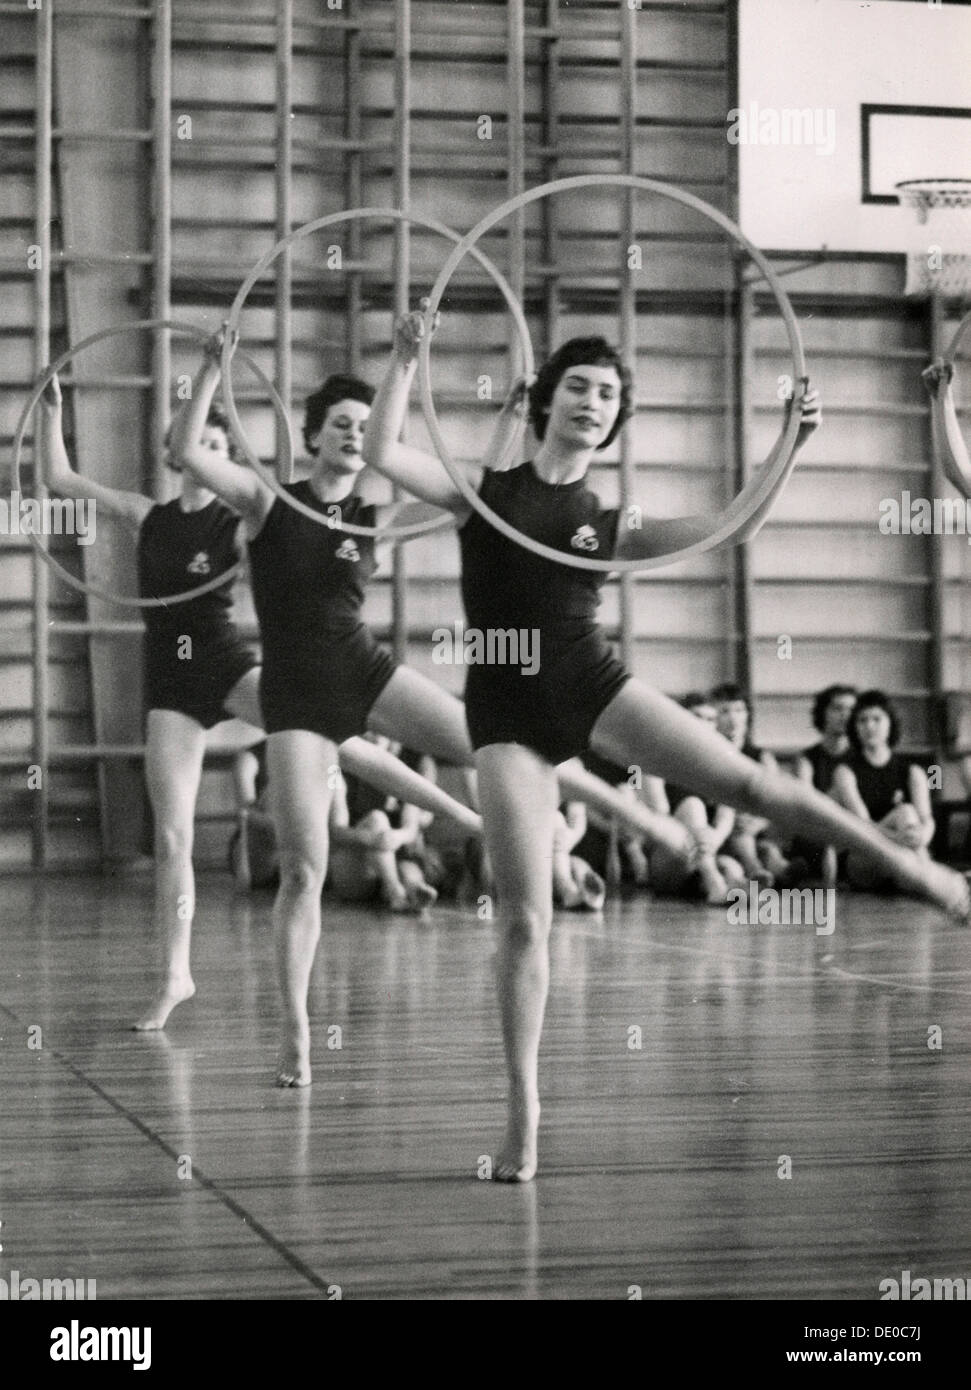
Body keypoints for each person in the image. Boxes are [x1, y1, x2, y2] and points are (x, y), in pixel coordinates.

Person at [363, 314, 969, 1181]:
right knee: (525, 919)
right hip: (502, 715)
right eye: (578, 385)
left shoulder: (604, 521)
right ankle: (523, 1115)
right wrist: (406, 356)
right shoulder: (482, 490)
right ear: (545, 398)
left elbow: (731, 528)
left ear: (616, 421)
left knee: (754, 787)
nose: (591, 402)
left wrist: (788, 447)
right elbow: (386, 447)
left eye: (608, 395)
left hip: (588, 686)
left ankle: (920, 873)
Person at [172, 331, 695, 1086]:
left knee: (497, 736)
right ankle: (294, 1028)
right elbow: (184, 450)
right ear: (312, 434)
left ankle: (640, 818)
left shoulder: (376, 511)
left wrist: (514, 413)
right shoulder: (264, 499)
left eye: (364, 424)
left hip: (362, 664)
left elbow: (492, 506)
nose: (355, 435)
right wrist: (210, 370)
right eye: (340, 425)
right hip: (293, 691)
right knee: (300, 870)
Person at [38, 374, 263, 1031]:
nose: (205, 454)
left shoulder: (242, 522)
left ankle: (460, 807)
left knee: (334, 738)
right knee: (171, 836)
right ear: (176, 452)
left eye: (218, 445)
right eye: (196, 442)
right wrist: (53, 411)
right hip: (169, 680)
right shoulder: (147, 514)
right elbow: (60, 479)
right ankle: (174, 976)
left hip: (226, 662)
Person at [831, 689, 936, 890]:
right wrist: (901, 839)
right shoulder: (845, 771)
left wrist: (923, 837)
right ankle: (933, 881)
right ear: (855, 728)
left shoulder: (914, 772)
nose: (869, 726)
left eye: (876, 719)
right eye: (862, 720)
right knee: (905, 812)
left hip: (904, 856)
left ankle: (925, 881)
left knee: (909, 816)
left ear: (890, 725)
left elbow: (927, 820)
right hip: (864, 858)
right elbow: (863, 826)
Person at [649, 693, 745, 903]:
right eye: (697, 717)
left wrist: (710, 842)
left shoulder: (722, 765)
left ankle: (725, 884)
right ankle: (715, 884)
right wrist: (698, 836)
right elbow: (659, 817)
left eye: (710, 719)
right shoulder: (655, 762)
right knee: (693, 806)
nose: (704, 724)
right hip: (669, 858)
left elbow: (725, 819)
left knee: (732, 867)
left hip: (705, 854)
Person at [792, 684, 857, 885]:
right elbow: (806, 804)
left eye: (851, 710)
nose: (845, 715)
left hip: (855, 833)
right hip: (817, 833)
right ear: (823, 713)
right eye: (837, 708)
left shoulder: (861, 757)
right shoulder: (806, 759)